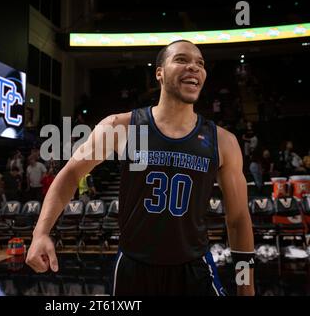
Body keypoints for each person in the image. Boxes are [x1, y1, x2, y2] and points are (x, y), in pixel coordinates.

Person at [26, 40, 255, 296]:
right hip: (134, 268)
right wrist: (41, 232)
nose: (194, 67)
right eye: (181, 60)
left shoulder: (223, 141)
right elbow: (70, 175)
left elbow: (237, 219)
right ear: (159, 72)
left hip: (194, 268)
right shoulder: (123, 126)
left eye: (200, 63)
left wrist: (246, 285)